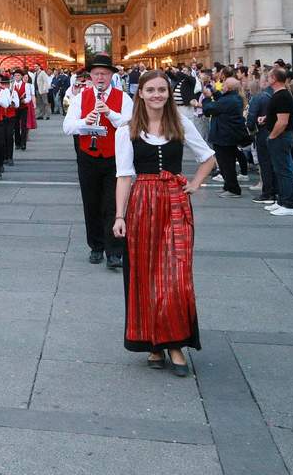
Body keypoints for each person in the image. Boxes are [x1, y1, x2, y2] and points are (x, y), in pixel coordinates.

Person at [112, 70, 216, 375]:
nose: (157, 95)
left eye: (162, 90)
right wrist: (119, 216)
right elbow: (123, 175)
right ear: (140, 94)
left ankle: (174, 343)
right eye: (151, 90)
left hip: (174, 203)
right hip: (142, 204)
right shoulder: (126, 130)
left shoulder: (181, 123)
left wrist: (195, 184)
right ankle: (153, 343)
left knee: (175, 274)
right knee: (144, 275)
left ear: (168, 94)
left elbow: (208, 156)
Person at [64, 54, 133, 269]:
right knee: (91, 203)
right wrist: (86, 121)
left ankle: (115, 251)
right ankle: (96, 246)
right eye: (96, 74)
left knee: (113, 204)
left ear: (111, 75)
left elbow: (129, 122)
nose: (100, 77)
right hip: (88, 157)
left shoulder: (124, 98)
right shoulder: (80, 98)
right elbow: (68, 127)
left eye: (104, 73)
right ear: (91, 76)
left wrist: (109, 113)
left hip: (115, 157)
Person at [262, 67, 293, 216]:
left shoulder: (282, 95)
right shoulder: (279, 95)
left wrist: (272, 136)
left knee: (284, 171)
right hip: (279, 136)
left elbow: (283, 122)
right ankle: (282, 201)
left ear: (274, 79)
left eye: (269, 76)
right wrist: (266, 119)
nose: (267, 78)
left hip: (280, 137)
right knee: (280, 170)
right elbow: (278, 117)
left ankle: (289, 204)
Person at [203, 77, 247, 198]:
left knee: (226, 164)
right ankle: (228, 186)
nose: (222, 86)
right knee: (225, 163)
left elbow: (210, 109)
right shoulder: (233, 98)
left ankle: (233, 189)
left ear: (229, 87)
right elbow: (220, 100)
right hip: (227, 135)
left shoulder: (229, 100)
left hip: (224, 136)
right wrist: (214, 92)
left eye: (224, 85)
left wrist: (206, 99)